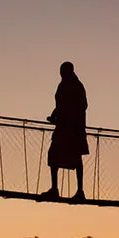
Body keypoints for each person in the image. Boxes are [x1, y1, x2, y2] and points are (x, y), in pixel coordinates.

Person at [44, 61, 87, 200]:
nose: (61, 74)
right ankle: (55, 188)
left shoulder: (76, 86)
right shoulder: (63, 85)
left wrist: (68, 117)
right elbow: (60, 105)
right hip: (64, 128)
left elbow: (82, 105)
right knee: (54, 155)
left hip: (73, 129)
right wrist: (54, 116)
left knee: (75, 158)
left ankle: (79, 191)